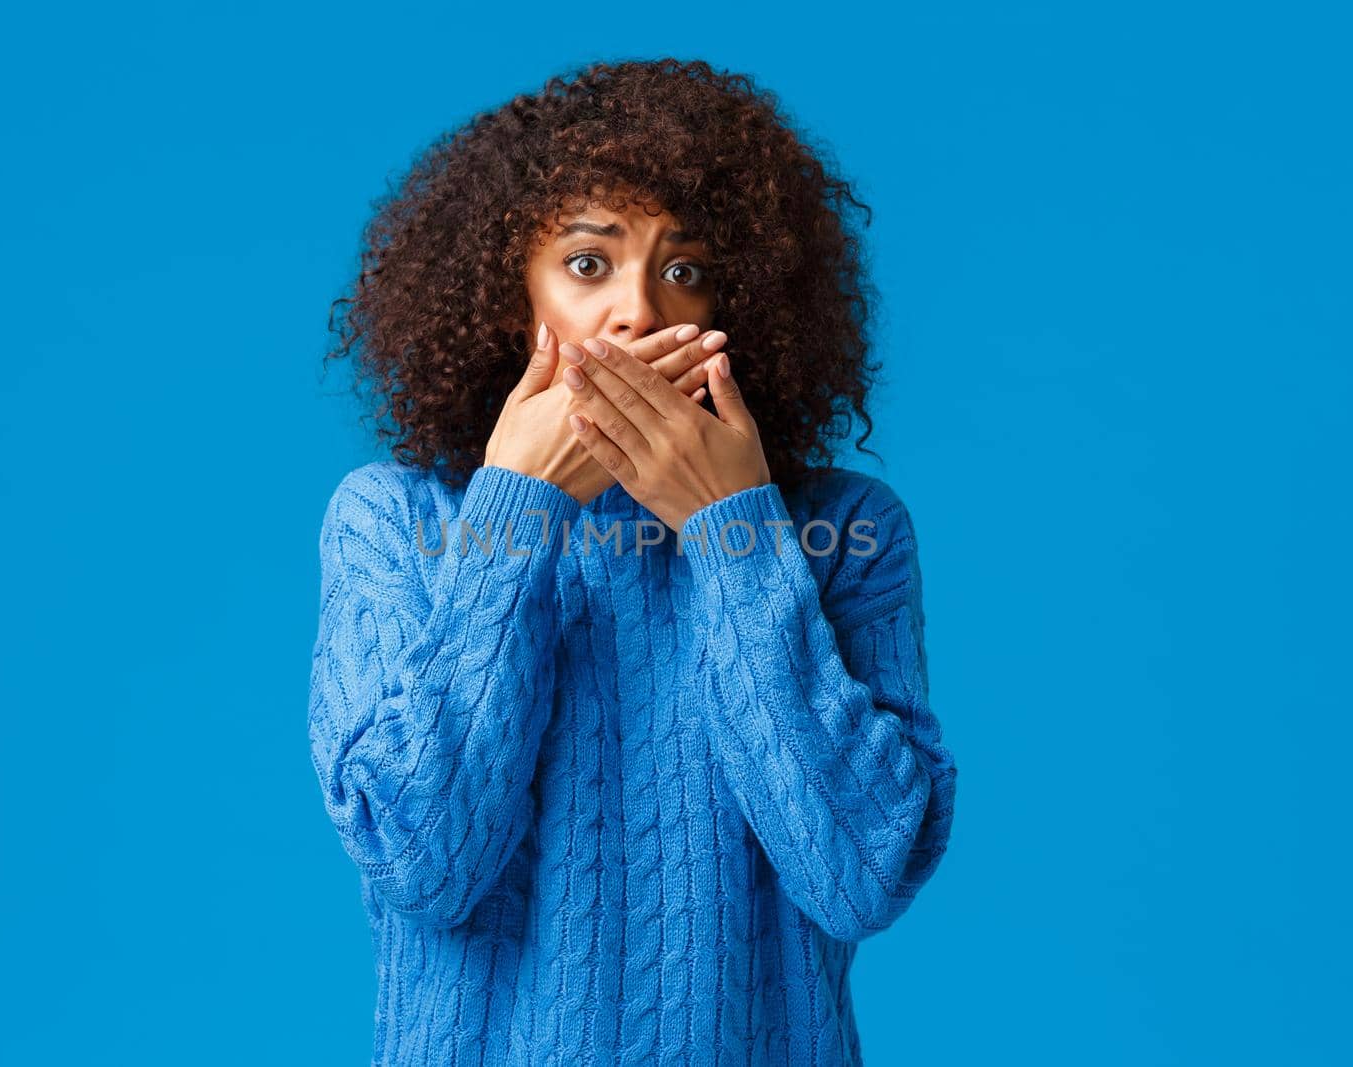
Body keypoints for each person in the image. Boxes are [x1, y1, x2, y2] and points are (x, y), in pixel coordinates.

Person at [309, 57, 958, 1066]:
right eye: (586, 264)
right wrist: (514, 516)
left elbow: (860, 876)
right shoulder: (395, 522)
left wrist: (732, 528)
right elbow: (421, 860)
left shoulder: (844, 529)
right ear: (502, 293)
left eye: (684, 268)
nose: (638, 314)